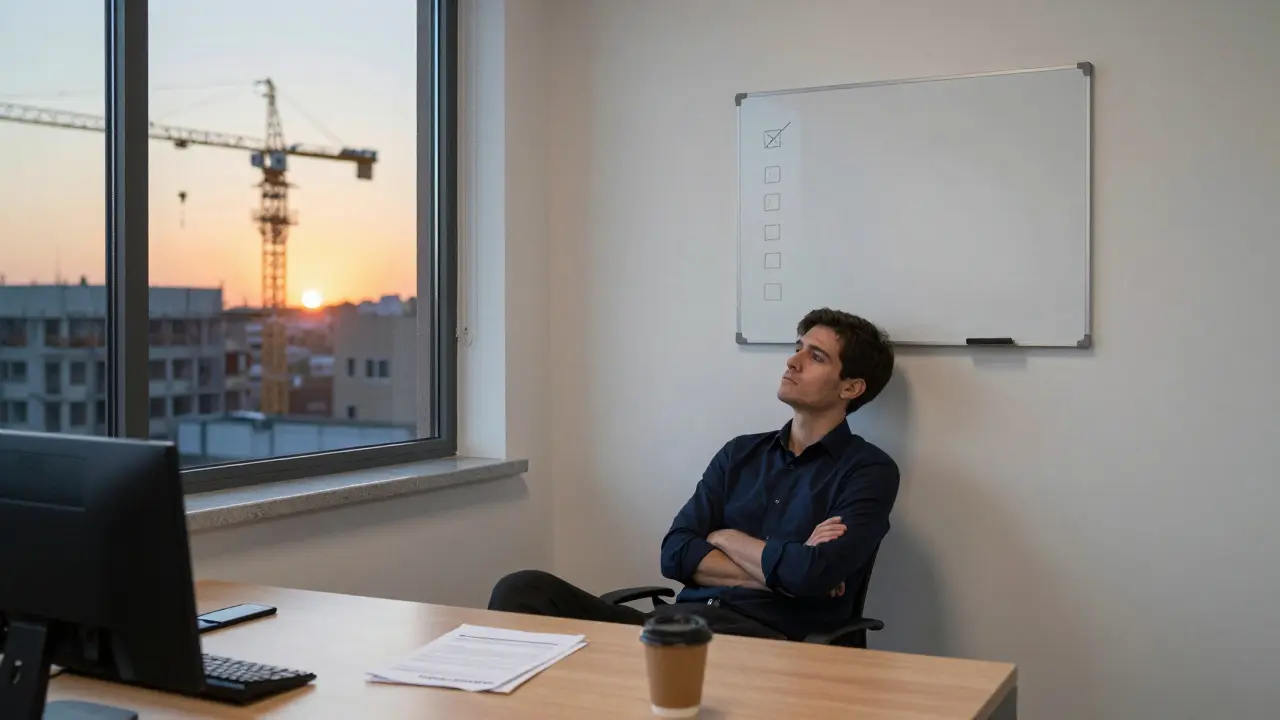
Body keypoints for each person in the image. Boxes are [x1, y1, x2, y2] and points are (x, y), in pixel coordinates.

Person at [488, 308, 899, 641]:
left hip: (765, 642)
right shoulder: (740, 453)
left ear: (851, 388)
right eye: (798, 348)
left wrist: (725, 538)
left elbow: (813, 575)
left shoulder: (869, 471)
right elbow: (676, 552)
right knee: (522, 588)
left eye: (816, 356)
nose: (792, 361)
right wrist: (781, 571)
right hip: (675, 625)